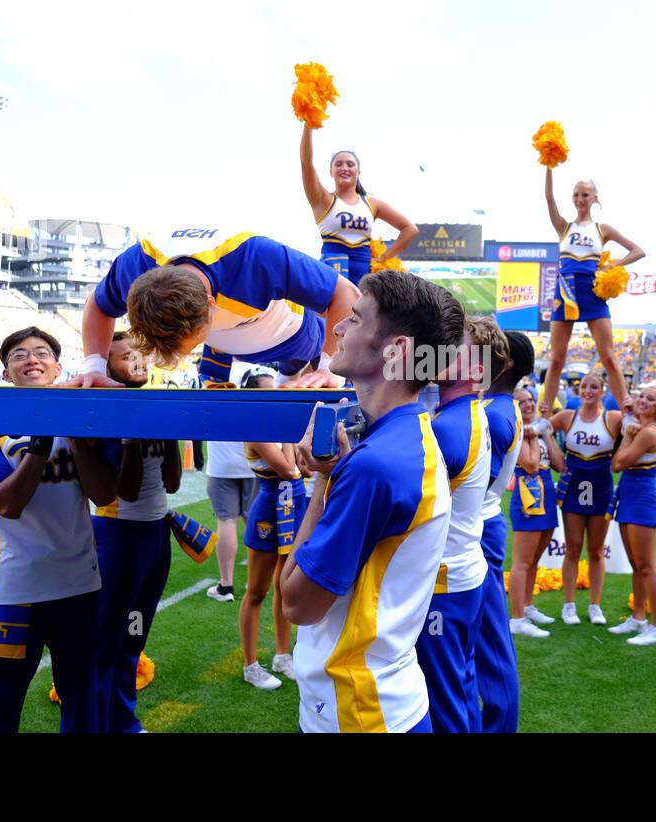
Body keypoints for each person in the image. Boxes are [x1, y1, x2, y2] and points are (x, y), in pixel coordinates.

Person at [280, 270, 462, 733]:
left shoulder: (374, 464)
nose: (338, 327)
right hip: (383, 697)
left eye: (356, 318)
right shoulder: (410, 436)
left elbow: (296, 603)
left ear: (397, 350)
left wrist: (319, 484)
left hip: (356, 709)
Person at [0, 327, 117, 733]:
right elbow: (6, 503)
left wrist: (69, 430)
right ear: (5, 374)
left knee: (82, 699)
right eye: (18, 355)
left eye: (40, 353)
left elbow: (104, 493)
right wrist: (41, 442)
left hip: (80, 585)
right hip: (17, 589)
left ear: (58, 367)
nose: (31, 359)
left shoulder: (82, 424)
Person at [71, 230, 359, 390]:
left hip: (292, 331)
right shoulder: (135, 264)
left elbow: (346, 293)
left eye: (192, 343)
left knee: (302, 358)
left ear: (211, 305)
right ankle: (285, 376)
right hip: (236, 337)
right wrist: (94, 367)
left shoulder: (255, 256)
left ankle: (291, 372)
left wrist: (329, 367)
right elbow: (97, 305)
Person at [91, 333, 181, 731]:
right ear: (109, 369)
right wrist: (131, 437)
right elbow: (122, 490)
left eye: (141, 354)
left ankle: (122, 718)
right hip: (119, 535)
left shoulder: (153, 407)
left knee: (134, 632)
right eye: (126, 357)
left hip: (154, 534)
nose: (138, 362)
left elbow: (174, 481)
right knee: (110, 638)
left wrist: (169, 431)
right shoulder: (110, 415)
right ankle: (105, 720)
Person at [416, 322, 492, 732]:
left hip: (445, 582)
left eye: (454, 348)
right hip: (464, 572)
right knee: (460, 688)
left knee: (442, 700)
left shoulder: (448, 425)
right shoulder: (465, 414)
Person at [537, 172, 645, 415]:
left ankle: (627, 411)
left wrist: (611, 266)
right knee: (555, 360)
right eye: (576, 194)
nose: (580, 199)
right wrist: (549, 166)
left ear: (595, 198)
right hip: (565, 291)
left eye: (585, 194)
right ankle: (545, 415)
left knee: (608, 357)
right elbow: (548, 196)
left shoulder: (602, 229)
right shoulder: (564, 227)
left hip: (593, 292)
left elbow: (638, 251)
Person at [472, 323, 535, 733]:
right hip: (483, 525)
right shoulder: (497, 404)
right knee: (484, 640)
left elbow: (473, 488)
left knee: (491, 645)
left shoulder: (495, 412)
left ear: (505, 362)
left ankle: (498, 724)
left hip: (478, 527)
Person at [237, 368, 307, 691]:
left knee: (284, 585)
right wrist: (292, 438)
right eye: (268, 393)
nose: (276, 398)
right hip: (269, 510)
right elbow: (289, 469)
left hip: (291, 506)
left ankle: (282, 655)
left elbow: (300, 468)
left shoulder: (277, 425)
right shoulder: (256, 428)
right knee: (257, 590)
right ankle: (250, 665)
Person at [549, 369, 622, 626]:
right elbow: (543, 424)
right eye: (584, 387)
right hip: (574, 486)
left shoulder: (612, 418)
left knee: (595, 550)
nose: (588, 391)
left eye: (594, 387)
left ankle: (595, 605)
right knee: (572, 548)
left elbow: (637, 422)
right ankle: (568, 605)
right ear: (579, 391)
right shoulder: (568, 416)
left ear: (603, 391)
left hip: (601, 486)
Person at [300, 126, 417, 285]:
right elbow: (306, 163)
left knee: (360, 310)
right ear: (331, 172)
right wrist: (308, 125)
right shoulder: (322, 199)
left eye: (350, 164)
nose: (344, 168)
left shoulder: (372, 203)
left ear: (358, 172)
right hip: (331, 278)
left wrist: (384, 257)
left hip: (363, 280)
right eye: (339, 164)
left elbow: (410, 229)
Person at [607, 385, 656, 646]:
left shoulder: (648, 432)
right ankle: (638, 618)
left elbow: (617, 464)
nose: (643, 401)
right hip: (630, 500)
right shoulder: (640, 428)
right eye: (641, 396)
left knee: (647, 566)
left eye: (651, 399)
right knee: (637, 565)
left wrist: (626, 435)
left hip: (641, 503)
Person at [204, 364, 266, 603]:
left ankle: (226, 585)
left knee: (226, 521)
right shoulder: (259, 366)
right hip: (252, 459)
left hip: (221, 463)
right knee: (253, 520)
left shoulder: (213, 369)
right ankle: (255, 582)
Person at [508, 387, 563, 638]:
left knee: (535, 559)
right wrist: (531, 432)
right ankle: (517, 618)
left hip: (547, 493)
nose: (529, 405)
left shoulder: (540, 429)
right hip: (527, 493)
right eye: (522, 403)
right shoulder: (516, 431)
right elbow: (530, 465)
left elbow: (560, 465)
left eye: (531, 400)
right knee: (522, 561)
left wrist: (546, 431)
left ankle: (528, 606)